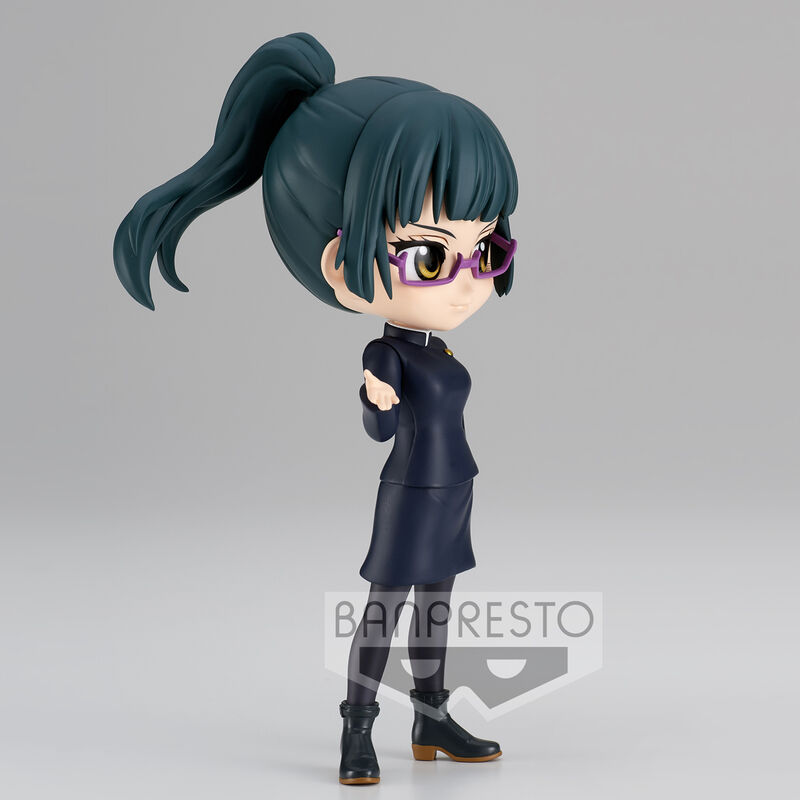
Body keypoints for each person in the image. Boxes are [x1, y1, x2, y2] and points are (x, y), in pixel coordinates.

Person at [113, 31, 518, 786]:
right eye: (431, 256)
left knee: (436, 607)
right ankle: (357, 730)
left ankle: (430, 717)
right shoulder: (388, 355)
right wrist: (374, 398)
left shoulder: (435, 347)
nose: (469, 280)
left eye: (488, 249)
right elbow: (379, 429)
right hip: (411, 495)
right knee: (384, 610)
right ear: (340, 264)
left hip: (455, 490)